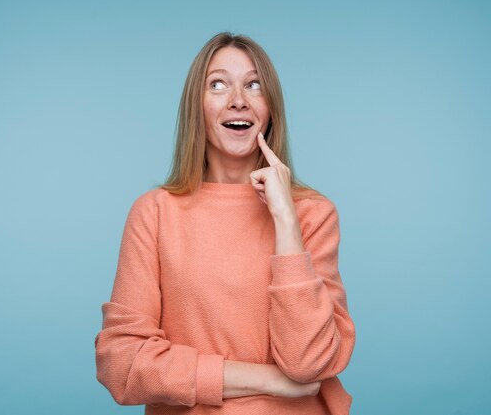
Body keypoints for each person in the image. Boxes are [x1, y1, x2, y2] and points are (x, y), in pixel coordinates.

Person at [94, 31, 356, 414]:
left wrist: (285, 219)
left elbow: (308, 362)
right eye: (218, 85)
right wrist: (267, 380)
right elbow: (122, 362)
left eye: (254, 85)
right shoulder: (154, 212)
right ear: (196, 106)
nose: (238, 101)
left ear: (271, 108)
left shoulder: (313, 215)